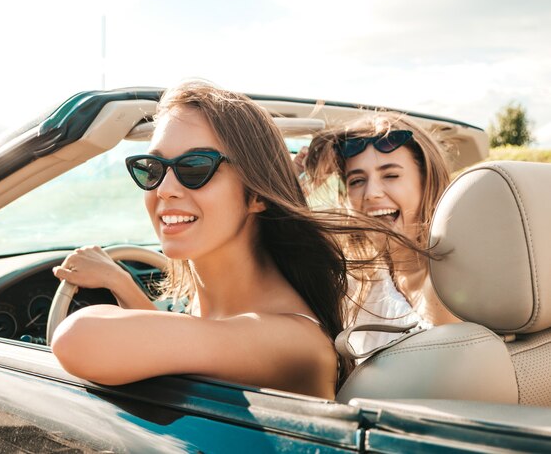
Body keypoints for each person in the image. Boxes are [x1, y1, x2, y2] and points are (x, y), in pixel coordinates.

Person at [51, 81, 358, 399]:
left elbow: (78, 339)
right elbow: (195, 343)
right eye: (153, 168)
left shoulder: (292, 340)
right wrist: (121, 282)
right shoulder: (221, 315)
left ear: (257, 194)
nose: (164, 189)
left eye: (195, 167)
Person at [301, 112, 460, 356]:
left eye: (390, 175)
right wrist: (297, 182)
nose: (371, 193)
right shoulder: (357, 276)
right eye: (356, 181)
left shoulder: (451, 286)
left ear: (426, 181)